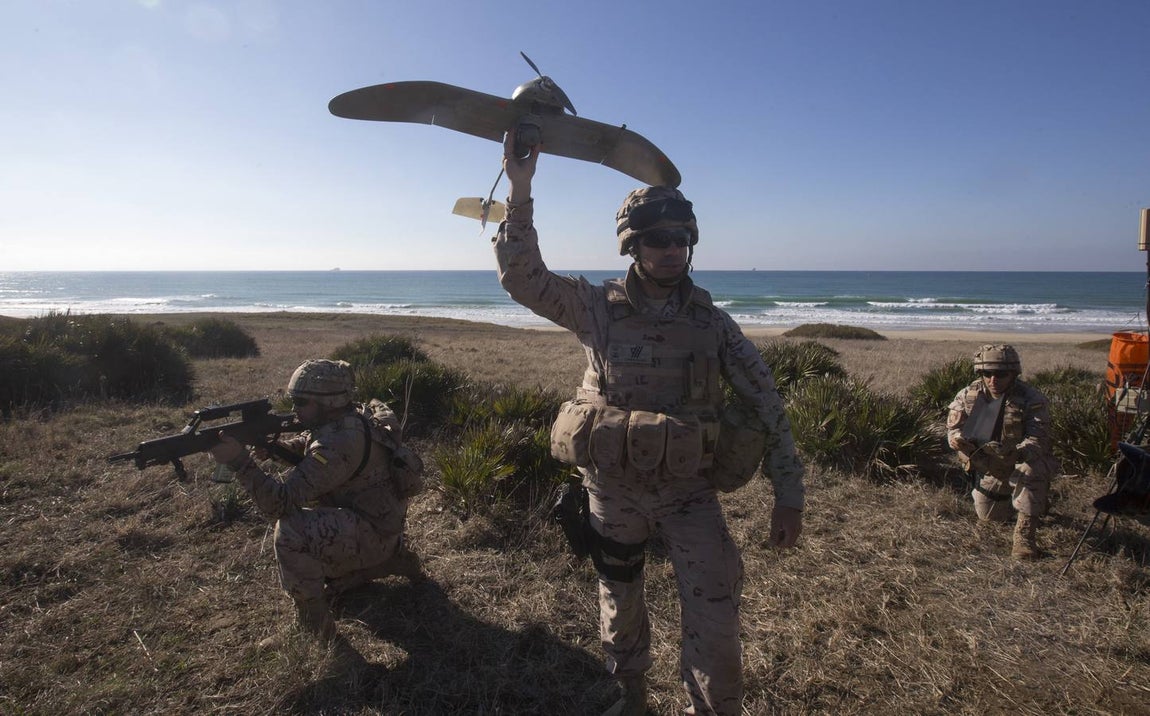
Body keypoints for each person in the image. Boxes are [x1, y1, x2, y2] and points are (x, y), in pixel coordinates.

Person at [493, 134, 805, 716]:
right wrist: (520, 187)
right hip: (612, 486)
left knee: (715, 609)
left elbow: (767, 403)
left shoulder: (712, 324)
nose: (672, 250)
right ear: (633, 246)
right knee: (619, 594)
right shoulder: (596, 307)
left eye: (681, 239)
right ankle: (630, 694)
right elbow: (523, 278)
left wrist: (788, 494)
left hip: (689, 493)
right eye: (658, 239)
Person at [209, 359, 422, 644]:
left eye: (300, 401)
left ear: (328, 402)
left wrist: (239, 462)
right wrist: (278, 448)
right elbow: (311, 440)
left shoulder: (341, 442)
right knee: (325, 558)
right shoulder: (346, 417)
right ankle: (390, 560)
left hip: (373, 531)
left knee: (290, 531)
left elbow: (279, 504)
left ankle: (315, 629)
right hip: (376, 520)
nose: (293, 409)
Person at [946, 344, 1059, 560]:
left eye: (1000, 374)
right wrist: (957, 441)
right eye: (987, 374)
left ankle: (1024, 538)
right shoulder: (969, 394)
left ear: (1014, 374)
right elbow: (954, 428)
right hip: (991, 467)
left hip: (1021, 461)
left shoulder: (1031, 399)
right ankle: (1033, 502)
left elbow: (1038, 440)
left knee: (1030, 470)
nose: (993, 380)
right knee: (990, 517)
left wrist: (1017, 453)